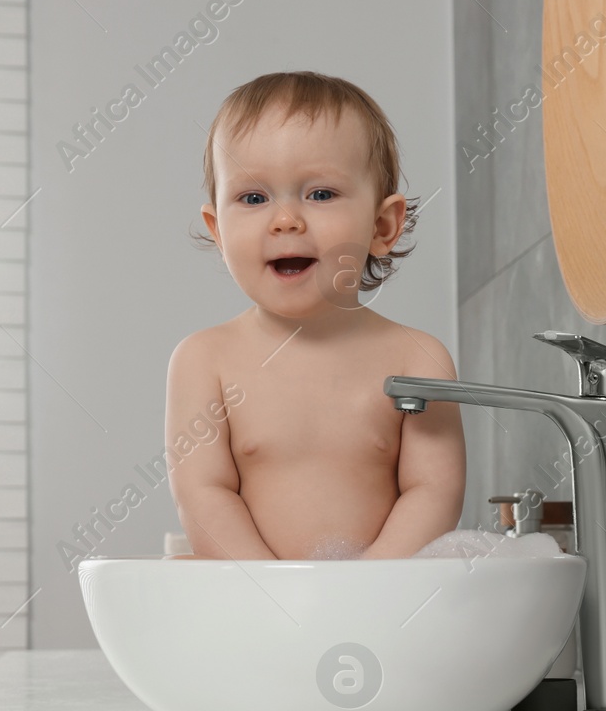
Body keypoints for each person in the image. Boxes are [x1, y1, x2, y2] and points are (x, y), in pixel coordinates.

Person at [166, 71, 464, 560]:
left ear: (382, 225)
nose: (286, 220)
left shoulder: (417, 359)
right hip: (256, 606)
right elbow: (203, 495)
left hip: (379, 605)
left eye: (320, 194)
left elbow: (434, 491)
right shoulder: (205, 361)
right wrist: (276, 594)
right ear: (218, 232)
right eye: (254, 198)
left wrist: (364, 587)